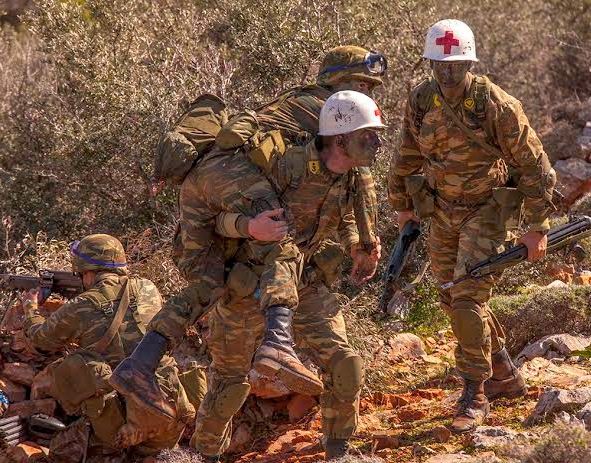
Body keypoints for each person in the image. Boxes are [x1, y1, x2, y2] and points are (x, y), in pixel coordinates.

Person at [110, 46, 386, 417]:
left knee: (207, 284)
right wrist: (368, 241)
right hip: (228, 175)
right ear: (338, 81)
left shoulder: (299, 104)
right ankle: (277, 344)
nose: (366, 93)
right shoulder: (326, 107)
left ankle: (138, 365)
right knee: (281, 236)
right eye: (360, 83)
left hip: (204, 186)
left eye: (370, 86)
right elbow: (360, 175)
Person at [185, 91, 385, 463]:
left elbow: (347, 215)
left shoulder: (350, 176)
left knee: (345, 362)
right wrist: (248, 227)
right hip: (248, 284)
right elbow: (213, 217)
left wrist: (357, 244)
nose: (377, 145)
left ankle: (337, 461)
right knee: (229, 384)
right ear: (339, 139)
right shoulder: (285, 165)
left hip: (305, 282)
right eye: (368, 137)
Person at [388, 19, 557, 432]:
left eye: (456, 65)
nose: (448, 73)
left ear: (470, 64)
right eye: (440, 66)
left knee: (465, 298)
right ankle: (504, 373)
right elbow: (406, 153)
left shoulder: (495, 104)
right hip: (441, 209)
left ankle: (474, 394)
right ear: (429, 65)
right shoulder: (421, 100)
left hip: (487, 209)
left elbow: (534, 166)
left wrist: (537, 226)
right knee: (452, 297)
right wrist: (402, 206)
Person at [20, 234, 197, 460]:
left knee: (59, 452)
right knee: (150, 458)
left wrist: (30, 309)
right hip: (167, 412)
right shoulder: (148, 288)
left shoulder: (80, 306)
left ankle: (111, 461)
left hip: (119, 426)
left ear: (87, 271)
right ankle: (148, 459)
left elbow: (40, 340)